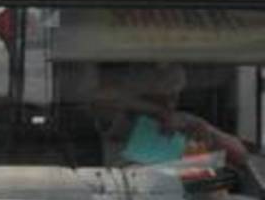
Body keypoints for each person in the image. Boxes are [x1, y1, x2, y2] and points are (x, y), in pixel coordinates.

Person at [92, 62, 247, 168]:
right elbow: (100, 98)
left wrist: (203, 128)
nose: (170, 103)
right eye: (160, 97)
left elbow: (240, 155)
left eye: (173, 96)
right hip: (131, 197)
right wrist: (159, 113)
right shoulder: (123, 119)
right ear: (142, 94)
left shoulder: (186, 122)